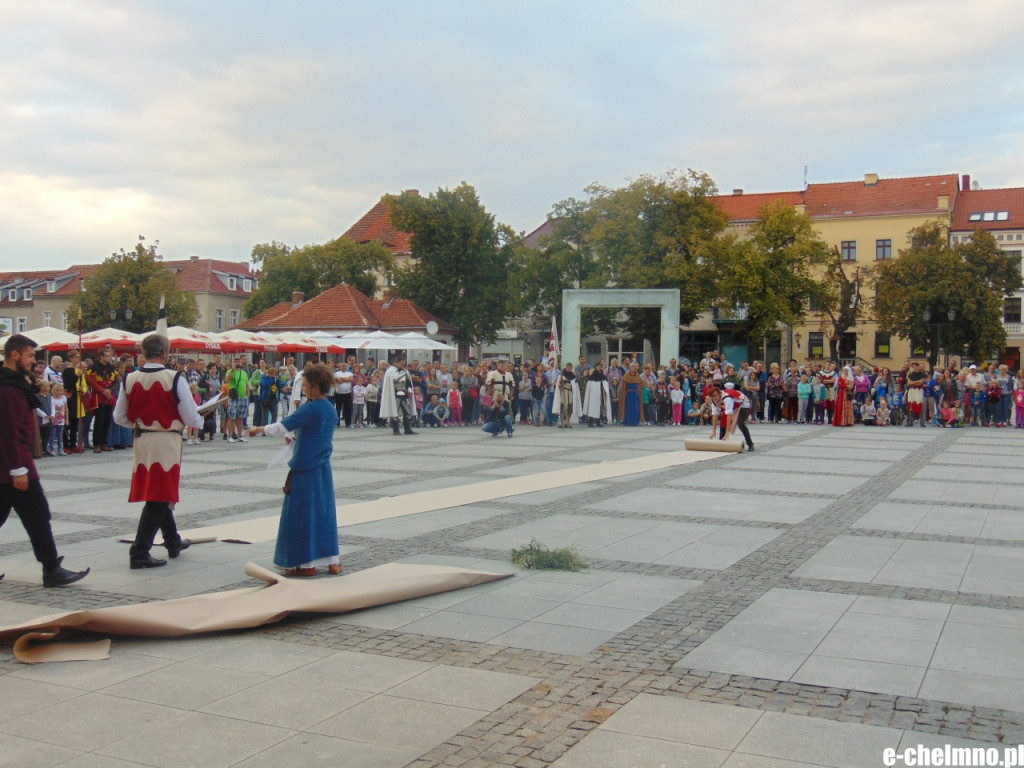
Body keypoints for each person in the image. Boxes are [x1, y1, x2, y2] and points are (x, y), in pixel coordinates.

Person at [0, 335, 90, 586]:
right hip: (13, 466)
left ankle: (51, 568)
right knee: (38, 516)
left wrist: (35, 384)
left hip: (10, 466)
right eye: (29, 356)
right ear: (14, 355)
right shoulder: (8, 389)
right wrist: (18, 469)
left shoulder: (13, 382)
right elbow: (8, 431)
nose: (33, 361)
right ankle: (51, 569)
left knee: (34, 516)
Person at [115, 334, 205, 569]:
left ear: (143, 352)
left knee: (159, 492)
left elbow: (119, 416)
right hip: (166, 439)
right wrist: (200, 419)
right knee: (159, 496)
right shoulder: (174, 378)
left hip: (143, 440)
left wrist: (141, 424)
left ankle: (173, 541)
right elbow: (190, 415)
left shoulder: (130, 378)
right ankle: (139, 551)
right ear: (165, 353)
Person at [249, 364, 340, 576]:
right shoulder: (330, 409)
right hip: (323, 468)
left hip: (305, 468)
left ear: (315, 387)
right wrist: (295, 440)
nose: (304, 389)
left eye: (306, 386)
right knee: (324, 513)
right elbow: (316, 436)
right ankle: (331, 560)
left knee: (302, 515)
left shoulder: (310, 409)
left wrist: (258, 429)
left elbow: (282, 426)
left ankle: (306, 564)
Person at [86, 346, 118, 452]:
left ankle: (104, 443)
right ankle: (97, 444)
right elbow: (92, 382)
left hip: (109, 397)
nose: (110, 358)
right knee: (99, 421)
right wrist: (103, 391)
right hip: (99, 397)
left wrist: (110, 391)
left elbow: (116, 382)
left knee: (107, 421)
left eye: (110, 356)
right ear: (101, 357)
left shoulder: (112, 368)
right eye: (107, 356)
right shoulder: (93, 368)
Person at [380, 356, 418, 435]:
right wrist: (403, 373)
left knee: (407, 412)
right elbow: (395, 379)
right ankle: (396, 430)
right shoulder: (391, 371)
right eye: (401, 363)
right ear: (397, 363)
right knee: (395, 412)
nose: (403, 365)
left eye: (404, 363)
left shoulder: (405, 371)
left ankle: (407, 429)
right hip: (395, 394)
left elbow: (408, 382)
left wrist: (409, 390)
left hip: (403, 394)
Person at [224, 357, 250, 443]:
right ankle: (230, 436)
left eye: (238, 361)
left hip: (243, 398)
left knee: (240, 418)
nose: (237, 362)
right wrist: (232, 370)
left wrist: (247, 396)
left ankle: (240, 435)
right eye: (235, 361)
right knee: (232, 417)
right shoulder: (230, 371)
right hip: (234, 397)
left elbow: (247, 385)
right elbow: (226, 380)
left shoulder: (244, 373)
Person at [582, 362, 611, 427]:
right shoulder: (592, 377)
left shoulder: (603, 376)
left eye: (600, 366)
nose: (598, 368)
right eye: (597, 366)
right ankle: (590, 422)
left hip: (600, 394)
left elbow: (605, 384)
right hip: (593, 396)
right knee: (592, 408)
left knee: (599, 408)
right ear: (595, 367)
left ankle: (598, 422)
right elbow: (589, 387)